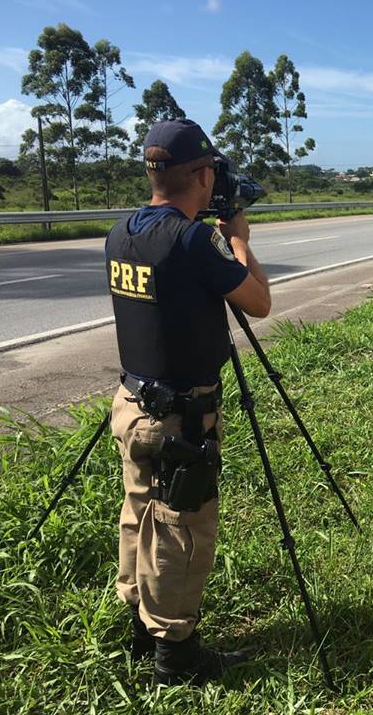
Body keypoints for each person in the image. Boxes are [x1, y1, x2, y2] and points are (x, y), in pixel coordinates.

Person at [105, 118, 271, 686]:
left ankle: (138, 624)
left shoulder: (121, 232)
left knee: (138, 515)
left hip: (132, 403)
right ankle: (176, 654)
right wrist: (239, 235)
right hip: (182, 417)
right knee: (181, 528)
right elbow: (258, 302)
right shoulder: (194, 240)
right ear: (201, 175)